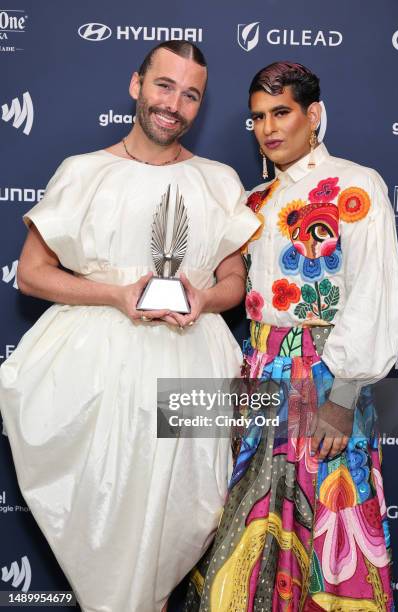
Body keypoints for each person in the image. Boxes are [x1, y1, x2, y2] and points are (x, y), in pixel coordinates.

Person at [0, 41, 260, 612]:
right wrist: (116, 295)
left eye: (191, 94)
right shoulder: (85, 172)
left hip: (194, 362)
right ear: (136, 85)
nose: (175, 104)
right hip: (95, 371)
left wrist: (204, 296)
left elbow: (234, 282)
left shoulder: (218, 181)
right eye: (164, 86)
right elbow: (32, 274)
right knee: (106, 518)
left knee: (181, 518)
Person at [183, 62, 398, 611]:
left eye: (281, 112)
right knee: (246, 521)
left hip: (324, 377)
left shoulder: (355, 186)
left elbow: (370, 294)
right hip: (258, 370)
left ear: (314, 115)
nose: (268, 128)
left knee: (326, 521)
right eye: (258, 117)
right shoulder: (253, 202)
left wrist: (344, 398)